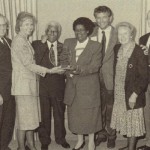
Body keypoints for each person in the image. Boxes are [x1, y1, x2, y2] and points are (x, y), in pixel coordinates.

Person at [11, 12, 62, 150]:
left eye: (31, 24)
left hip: (29, 86)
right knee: (23, 122)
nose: (30, 27)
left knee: (29, 121)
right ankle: (22, 147)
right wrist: (50, 71)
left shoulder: (25, 40)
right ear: (19, 26)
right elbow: (28, 64)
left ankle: (32, 146)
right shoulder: (19, 41)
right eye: (26, 24)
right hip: (23, 87)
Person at [61, 17, 102, 150]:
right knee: (76, 115)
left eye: (82, 31)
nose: (79, 34)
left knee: (90, 115)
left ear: (88, 31)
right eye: (76, 31)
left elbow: (95, 66)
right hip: (72, 86)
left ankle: (91, 142)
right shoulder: (68, 42)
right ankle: (80, 141)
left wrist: (78, 69)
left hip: (89, 87)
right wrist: (68, 72)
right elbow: (63, 60)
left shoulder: (96, 46)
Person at [32, 21, 70, 150]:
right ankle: (44, 141)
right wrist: (43, 44)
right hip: (43, 85)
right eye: (50, 31)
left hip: (59, 86)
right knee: (45, 114)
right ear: (46, 32)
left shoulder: (63, 46)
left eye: (55, 31)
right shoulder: (38, 44)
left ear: (59, 33)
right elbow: (36, 60)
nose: (52, 34)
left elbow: (66, 63)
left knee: (59, 114)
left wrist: (66, 71)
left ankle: (61, 138)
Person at [110, 22, 148, 150]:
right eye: (120, 34)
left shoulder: (139, 51)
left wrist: (135, 94)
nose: (122, 36)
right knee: (127, 122)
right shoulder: (117, 48)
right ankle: (128, 146)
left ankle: (131, 148)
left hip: (132, 93)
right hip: (120, 92)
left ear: (131, 34)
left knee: (133, 123)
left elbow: (144, 77)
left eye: (125, 33)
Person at [91, 6, 117, 148]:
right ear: (95, 18)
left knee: (111, 107)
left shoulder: (118, 33)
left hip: (110, 77)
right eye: (98, 17)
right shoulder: (91, 33)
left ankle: (111, 134)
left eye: (104, 17)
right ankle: (100, 133)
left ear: (110, 18)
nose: (101, 20)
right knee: (98, 107)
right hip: (94, 78)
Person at [0, 14, 15, 150]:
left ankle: (3, 145)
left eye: (4, 25)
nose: (3, 28)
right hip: (0, 89)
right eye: (0, 25)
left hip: (11, 88)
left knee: (8, 120)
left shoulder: (9, 42)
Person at [137, 10, 150, 150]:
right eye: (149, 19)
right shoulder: (143, 38)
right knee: (147, 111)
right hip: (145, 81)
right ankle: (149, 142)